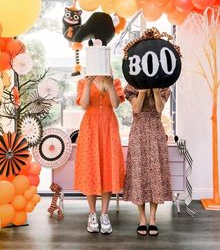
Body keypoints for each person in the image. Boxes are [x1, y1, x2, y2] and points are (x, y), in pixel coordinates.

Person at [74, 75, 125, 234]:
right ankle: (92, 214)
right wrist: (89, 84)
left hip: (109, 127)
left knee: (107, 168)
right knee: (90, 168)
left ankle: (104, 214)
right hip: (90, 128)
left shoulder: (114, 81)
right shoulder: (83, 81)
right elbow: (83, 105)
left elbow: (115, 104)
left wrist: (110, 85)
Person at [123, 85, 173, 236]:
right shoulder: (132, 87)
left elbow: (159, 109)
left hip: (156, 131)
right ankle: (142, 219)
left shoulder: (164, 87)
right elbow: (136, 109)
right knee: (140, 174)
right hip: (138, 132)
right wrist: (143, 92)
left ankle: (153, 219)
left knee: (155, 174)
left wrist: (156, 91)